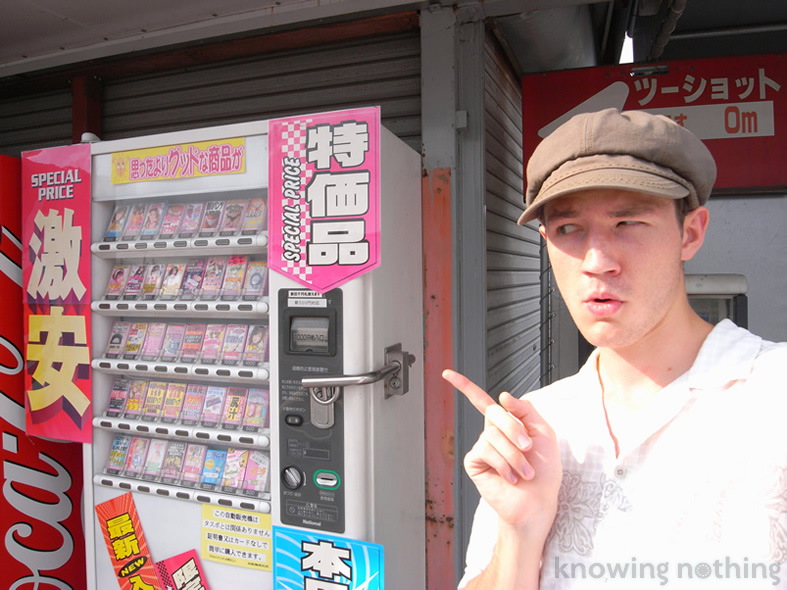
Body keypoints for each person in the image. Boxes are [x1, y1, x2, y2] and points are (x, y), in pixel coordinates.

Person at [443, 108, 786, 589]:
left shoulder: (773, 394)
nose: (596, 262)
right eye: (568, 229)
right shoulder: (538, 423)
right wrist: (521, 533)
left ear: (690, 233)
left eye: (627, 222)